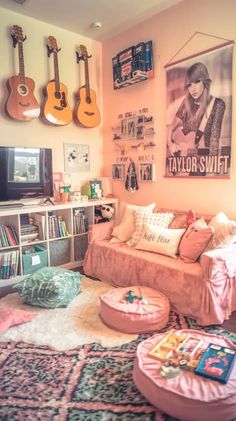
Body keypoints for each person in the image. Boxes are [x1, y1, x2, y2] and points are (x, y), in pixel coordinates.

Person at [167, 62, 226, 159]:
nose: (193, 89)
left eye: (197, 82)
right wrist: (170, 144)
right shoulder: (186, 105)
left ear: (205, 81)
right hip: (185, 162)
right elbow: (171, 127)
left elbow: (214, 141)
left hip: (203, 162)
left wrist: (212, 166)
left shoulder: (217, 104)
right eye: (189, 85)